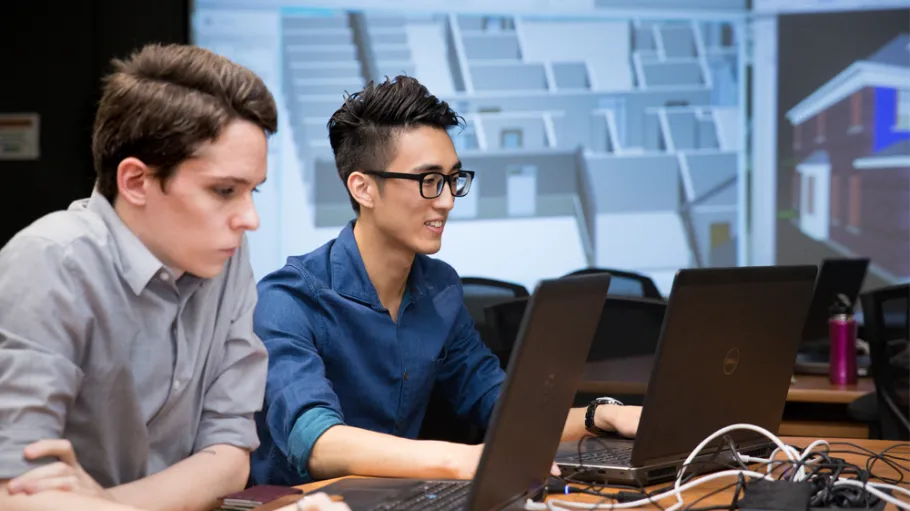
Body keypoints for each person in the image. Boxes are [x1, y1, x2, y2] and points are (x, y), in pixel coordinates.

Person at [250, 75, 643, 486]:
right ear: (363, 188)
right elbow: (316, 441)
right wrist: (461, 462)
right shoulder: (289, 299)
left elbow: (501, 408)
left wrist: (604, 415)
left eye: (453, 179)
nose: (447, 200)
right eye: (428, 180)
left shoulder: (440, 289)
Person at [0, 43, 297, 511]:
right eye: (224, 191)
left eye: (252, 191)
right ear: (136, 181)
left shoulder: (225, 254)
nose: (249, 218)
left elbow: (228, 456)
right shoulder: (51, 262)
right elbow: (14, 492)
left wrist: (104, 502)